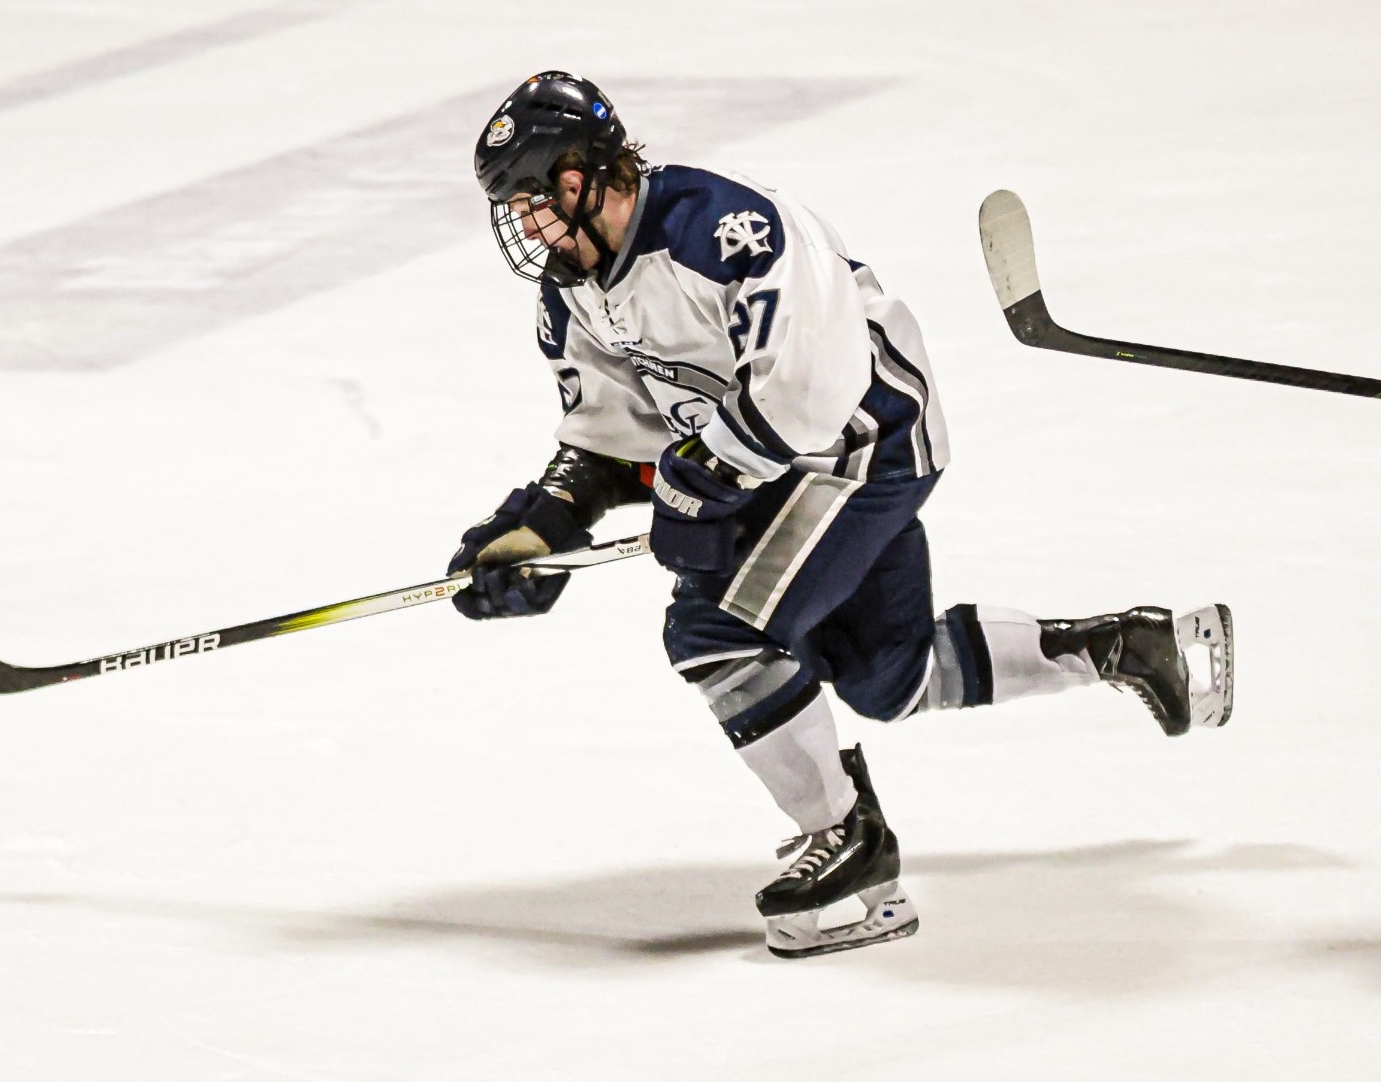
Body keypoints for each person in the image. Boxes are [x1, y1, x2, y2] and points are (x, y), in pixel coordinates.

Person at [448, 71, 1235, 959]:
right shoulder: (571, 293)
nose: (526, 227)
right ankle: (1129, 646)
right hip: (781, 465)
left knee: (716, 631)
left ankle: (851, 851)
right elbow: (607, 434)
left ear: (581, 176)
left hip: (867, 440)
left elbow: (813, 394)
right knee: (881, 677)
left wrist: (695, 483)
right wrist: (541, 525)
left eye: (530, 199)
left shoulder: (727, 229)